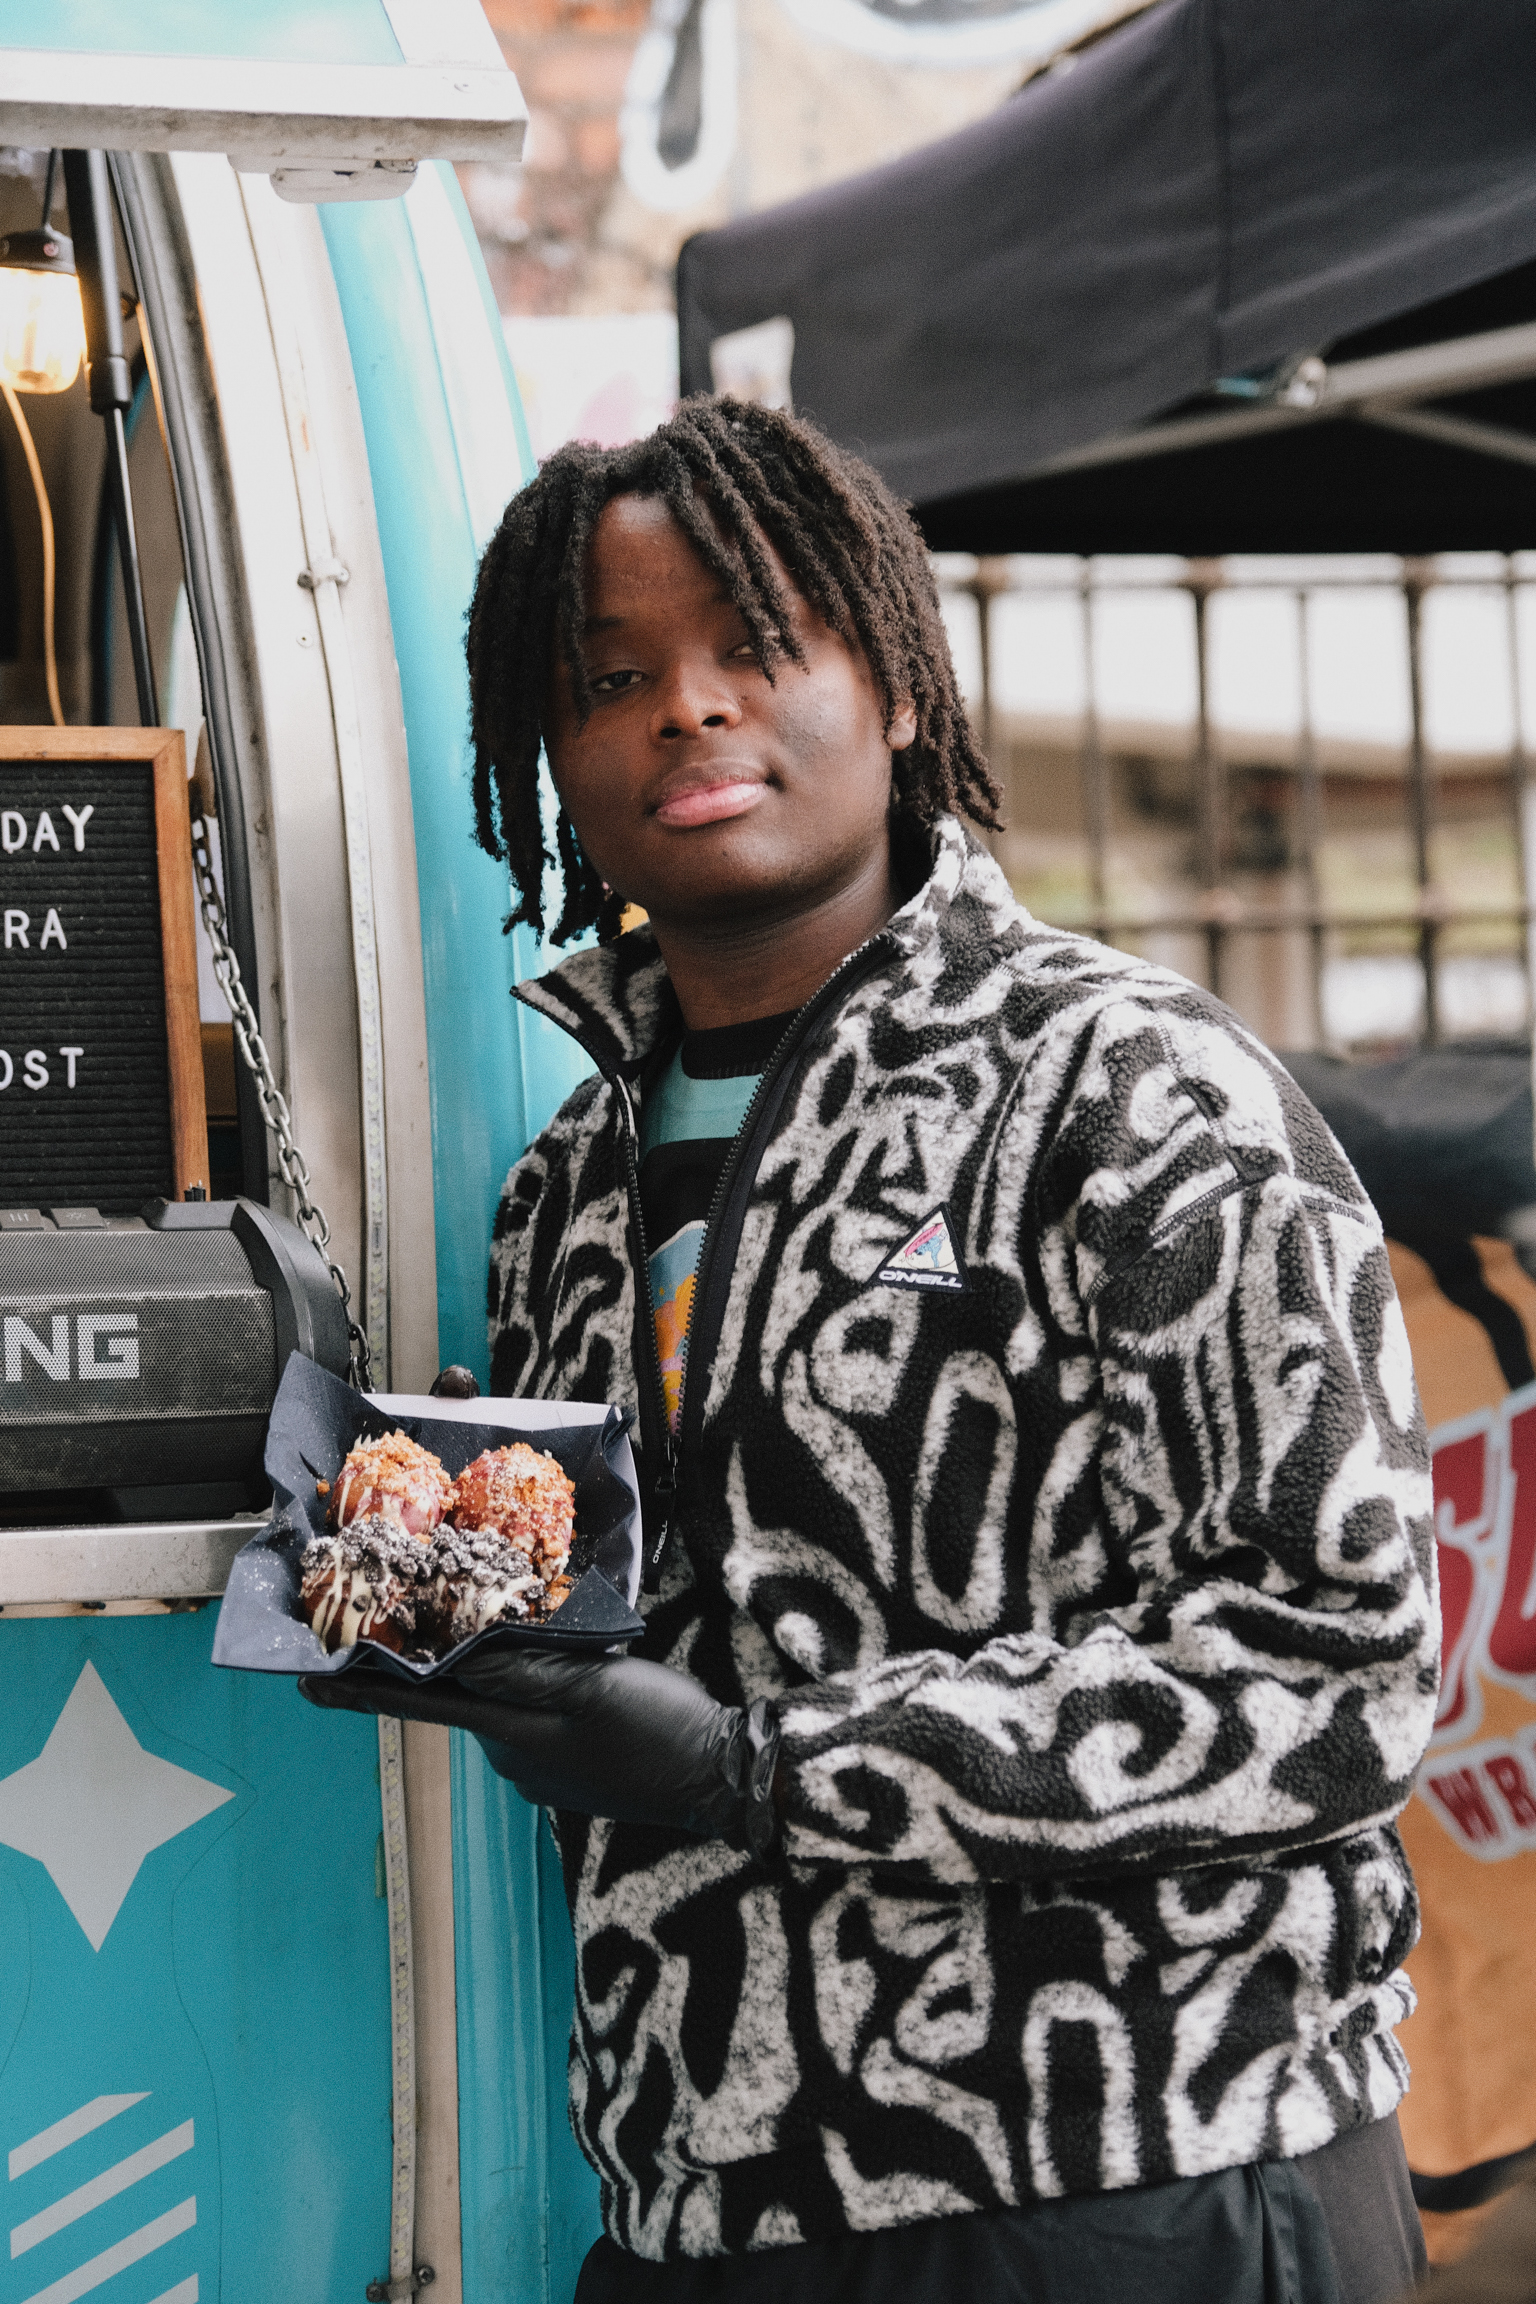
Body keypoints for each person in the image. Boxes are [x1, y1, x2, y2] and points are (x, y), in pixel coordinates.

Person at [305, 400, 1437, 2302]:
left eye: (759, 648)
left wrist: (768, 1765)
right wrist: (422, 1618)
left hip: (1133, 2183)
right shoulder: (562, 1189)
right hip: (706, 2218)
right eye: (611, 675)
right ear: (548, 748)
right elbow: (618, 1656)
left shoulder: (1129, 1089)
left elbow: (1338, 1669)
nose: (688, 710)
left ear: (898, 692)